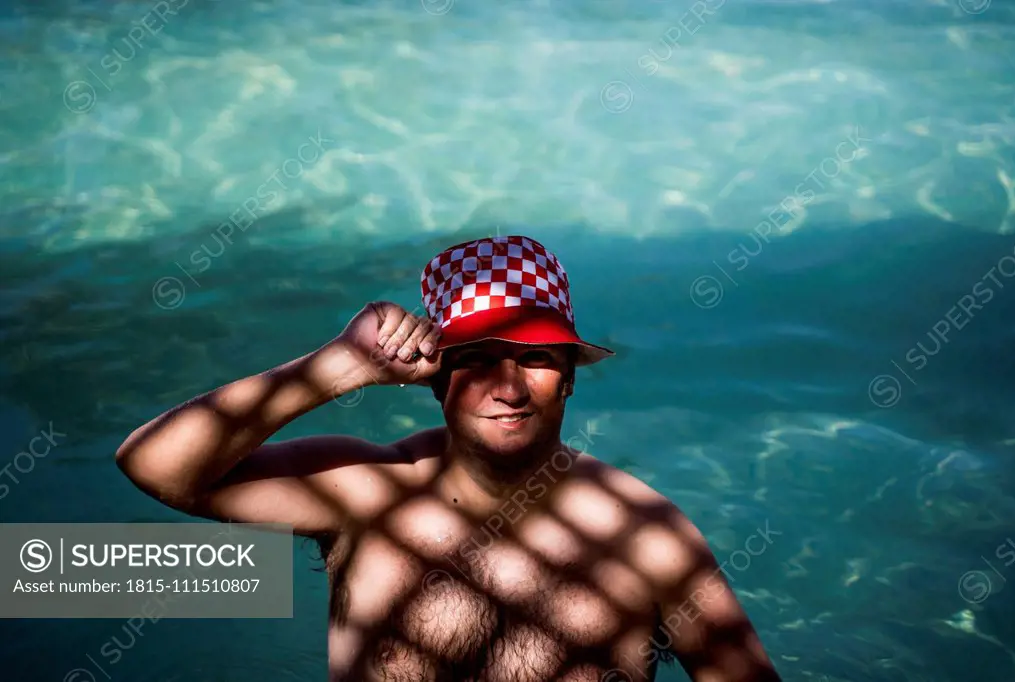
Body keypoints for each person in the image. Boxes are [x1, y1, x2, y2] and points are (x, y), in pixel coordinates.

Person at [116, 235, 781, 682]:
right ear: (434, 379)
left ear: (570, 377)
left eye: (536, 359)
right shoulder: (365, 495)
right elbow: (155, 467)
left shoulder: (648, 538)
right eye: (476, 362)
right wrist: (337, 368)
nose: (509, 385)